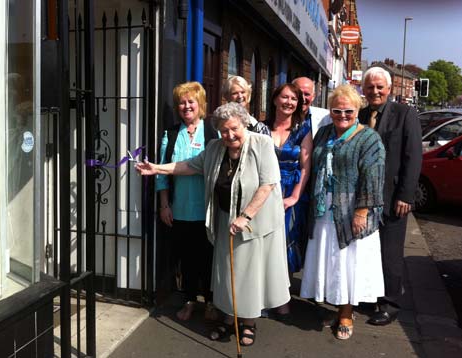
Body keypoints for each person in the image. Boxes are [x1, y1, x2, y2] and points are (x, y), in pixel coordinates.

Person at [136, 102, 290, 346]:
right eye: (224, 130)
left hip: (254, 223)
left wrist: (246, 216)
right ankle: (229, 317)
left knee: (249, 274)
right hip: (224, 218)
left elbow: (268, 184)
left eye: (234, 129)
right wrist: (156, 168)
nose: (229, 135)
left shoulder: (262, 144)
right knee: (227, 272)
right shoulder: (215, 147)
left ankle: (249, 323)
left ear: (244, 124)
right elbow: (188, 166)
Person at [300, 84, 386, 340]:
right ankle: (337, 306)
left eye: (348, 111)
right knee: (330, 260)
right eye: (336, 110)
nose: (342, 115)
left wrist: (362, 211)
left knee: (349, 262)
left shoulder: (369, 138)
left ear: (357, 110)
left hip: (352, 210)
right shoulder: (324, 132)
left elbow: (374, 176)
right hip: (324, 207)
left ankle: (347, 313)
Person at [358, 67, 422, 326]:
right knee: (366, 250)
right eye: (370, 87)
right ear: (363, 89)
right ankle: (368, 295)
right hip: (363, 197)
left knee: (390, 252)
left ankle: (390, 303)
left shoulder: (405, 114)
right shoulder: (360, 114)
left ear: (389, 89)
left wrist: (405, 195)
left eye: (379, 87)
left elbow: (413, 156)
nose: (375, 91)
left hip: (393, 196)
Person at [156, 82, 218, 322]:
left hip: (208, 208)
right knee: (187, 259)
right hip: (180, 208)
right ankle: (190, 299)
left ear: (200, 104)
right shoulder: (171, 134)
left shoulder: (213, 132)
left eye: (191, 101)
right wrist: (164, 204)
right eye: (182, 102)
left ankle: (211, 301)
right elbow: (162, 171)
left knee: (209, 258)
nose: (186, 106)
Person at [264, 83, 312, 319]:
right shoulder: (261, 128)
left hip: (290, 193)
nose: (289, 102)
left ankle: (283, 297)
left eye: (294, 99)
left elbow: (305, 166)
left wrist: (294, 196)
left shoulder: (303, 129)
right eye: (284, 97)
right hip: (264, 192)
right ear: (274, 100)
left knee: (286, 244)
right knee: (263, 245)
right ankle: (261, 297)